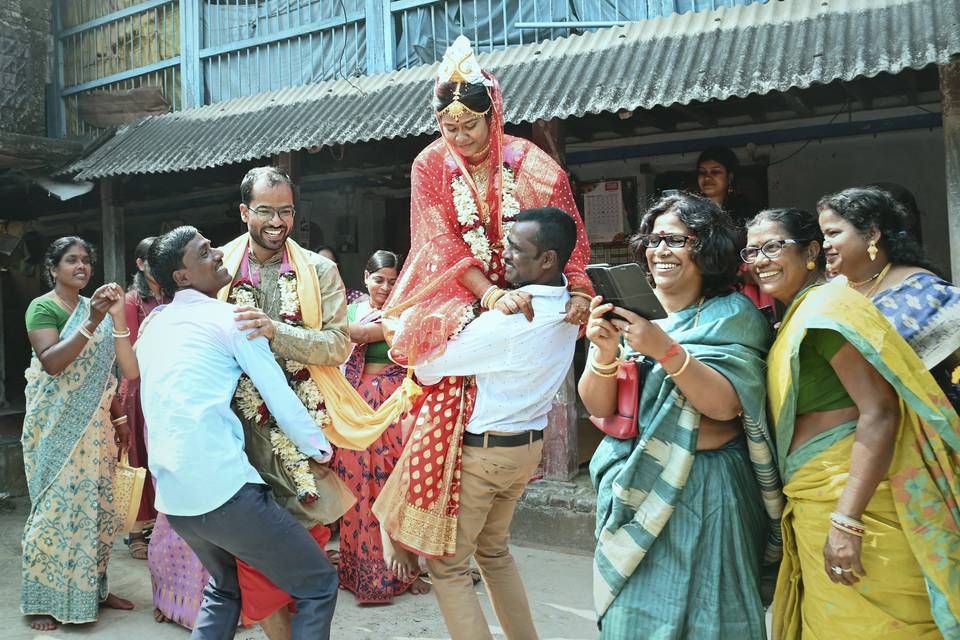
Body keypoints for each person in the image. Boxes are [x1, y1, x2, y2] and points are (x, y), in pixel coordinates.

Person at [376, 34, 593, 561]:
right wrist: (488, 294)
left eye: (470, 126)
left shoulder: (533, 163)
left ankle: (448, 541)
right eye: (448, 128)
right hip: (459, 292)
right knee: (443, 384)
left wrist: (581, 288)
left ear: (494, 116)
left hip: (531, 294)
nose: (460, 137)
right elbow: (438, 238)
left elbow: (566, 234)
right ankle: (427, 534)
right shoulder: (430, 164)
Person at [743, 208, 960, 639]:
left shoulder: (825, 310)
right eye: (752, 250)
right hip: (818, 498)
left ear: (810, 252)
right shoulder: (801, 313)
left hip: (854, 508)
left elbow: (879, 410)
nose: (761, 260)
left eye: (773, 246)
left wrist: (847, 522)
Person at [581, 193, 781, 639]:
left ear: (705, 249)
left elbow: (727, 405)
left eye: (675, 240)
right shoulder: (632, 312)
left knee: (711, 616)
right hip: (637, 489)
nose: (660, 251)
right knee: (630, 618)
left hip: (710, 492)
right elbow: (599, 407)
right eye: (653, 240)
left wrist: (663, 349)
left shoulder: (733, 315)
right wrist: (605, 351)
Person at [375, 207, 581, 639]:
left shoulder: (510, 321)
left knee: (448, 567)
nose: (503, 256)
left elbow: (428, 366)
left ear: (547, 259)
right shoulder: (568, 305)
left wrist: (434, 318)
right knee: (494, 552)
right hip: (525, 452)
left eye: (515, 249)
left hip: (485, 454)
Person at [136, 226, 339, 640]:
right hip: (225, 492)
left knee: (225, 588)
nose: (217, 253)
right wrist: (319, 449)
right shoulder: (232, 317)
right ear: (182, 276)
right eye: (204, 251)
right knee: (318, 584)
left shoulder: (153, 325)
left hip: (176, 499)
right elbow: (277, 393)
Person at [218, 166, 354, 639]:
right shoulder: (216, 269)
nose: (277, 222)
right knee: (254, 559)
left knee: (307, 551)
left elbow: (339, 345)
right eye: (265, 211)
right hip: (239, 433)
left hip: (304, 428)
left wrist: (278, 332)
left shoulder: (319, 270)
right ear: (243, 212)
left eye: (286, 212)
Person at [21, 237, 138, 631]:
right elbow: (53, 362)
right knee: (53, 511)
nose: (81, 267)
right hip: (54, 427)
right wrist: (92, 321)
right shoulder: (43, 308)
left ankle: (95, 591)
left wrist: (120, 421)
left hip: (96, 428)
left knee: (97, 511)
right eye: (71, 261)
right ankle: (42, 600)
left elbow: (105, 374)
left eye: (86, 260)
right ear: (53, 269)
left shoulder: (97, 308)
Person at [334, 249, 430, 602]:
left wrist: (328, 328)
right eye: (378, 280)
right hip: (355, 409)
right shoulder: (352, 310)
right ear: (365, 278)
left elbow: (360, 335)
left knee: (396, 482)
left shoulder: (407, 312)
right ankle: (355, 570)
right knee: (355, 482)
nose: (385, 288)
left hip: (396, 406)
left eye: (392, 281)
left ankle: (406, 571)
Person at [817, 186, 960, 409]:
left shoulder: (924, 290)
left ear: (872, 234)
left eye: (834, 233)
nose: (825, 245)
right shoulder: (830, 292)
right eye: (824, 235)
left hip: (917, 425)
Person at [118, 236, 164, 559]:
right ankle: (135, 532)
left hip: (167, 387)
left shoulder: (172, 296)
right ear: (140, 264)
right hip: (138, 389)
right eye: (152, 258)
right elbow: (131, 352)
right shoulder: (133, 300)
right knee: (138, 458)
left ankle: (163, 527)